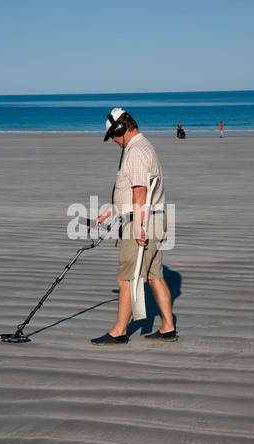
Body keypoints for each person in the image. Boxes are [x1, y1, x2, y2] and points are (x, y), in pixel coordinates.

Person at [91, 108, 177, 346]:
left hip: (144, 220)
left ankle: (119, 332)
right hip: (153, 218)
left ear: (120, 129)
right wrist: (110, 211)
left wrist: (138, 226)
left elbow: (140, 192)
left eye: (113, 136)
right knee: (153, 276)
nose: (114, 141)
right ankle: (168, 327)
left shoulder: (136, 151)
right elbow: (129, 190)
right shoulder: (139, 147)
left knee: (127, 278)